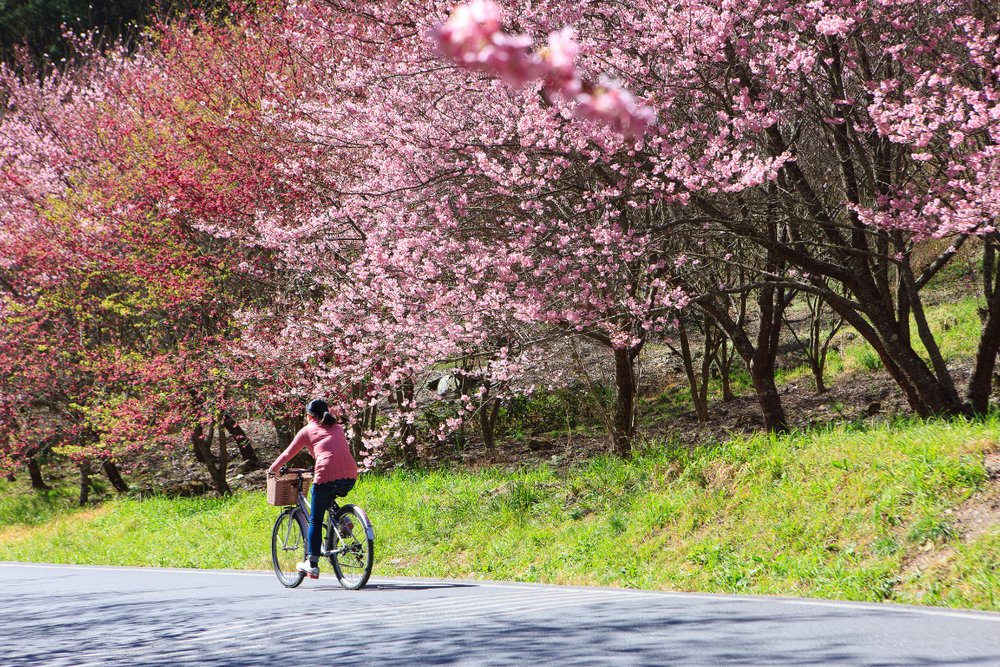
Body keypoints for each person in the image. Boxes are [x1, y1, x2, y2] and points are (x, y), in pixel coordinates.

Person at [268, 398, 358, 579]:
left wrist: (272, 470)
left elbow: (288, 453)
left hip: (326, 474)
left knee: (315, 520)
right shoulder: (338, 427)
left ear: (309, 416)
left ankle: (312, 564)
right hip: (350, 474)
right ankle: (343, 520)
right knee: (329, 496)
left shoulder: (307, 430)